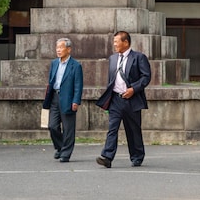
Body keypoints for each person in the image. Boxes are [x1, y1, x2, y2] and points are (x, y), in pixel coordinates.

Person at [96, 30, 151, 168]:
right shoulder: (113, 59)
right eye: (114, 42)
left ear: (125, 42)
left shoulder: (139, 57)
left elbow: (146, 77)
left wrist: (134, 89)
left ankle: (137, 156)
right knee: (112, 128)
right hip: (116, 99)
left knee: (133, 130)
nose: (114, 44)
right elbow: (111, 79)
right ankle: (107, 156)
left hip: (132, 100)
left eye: (116, 41)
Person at [43, 38, 83, 162]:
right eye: (57, 48)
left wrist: (76, 101)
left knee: (68, 128)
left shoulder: (76, 66)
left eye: (61, 47)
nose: (58, 50)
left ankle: (66, 153)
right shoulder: (54, 63)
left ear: (68, 49)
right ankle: (60, 147)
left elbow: (78, 85)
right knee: (52, 126)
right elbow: (51, 80)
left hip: (68, 99)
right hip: (55, 97)